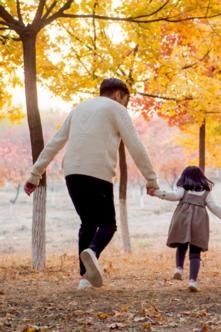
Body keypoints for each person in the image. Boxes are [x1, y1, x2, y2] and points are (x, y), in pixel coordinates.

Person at [24, 78, 159, 289]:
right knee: (108, 224)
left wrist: (35, 175)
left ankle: (84, 279)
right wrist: (151, 179)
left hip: (72, 173)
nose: (125, 105)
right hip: (98, 173)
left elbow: (56, 141)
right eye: (125, 100)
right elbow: (135, 144)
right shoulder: (116, 109)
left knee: (87, 223)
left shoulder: (79, 108)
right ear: (118, 95)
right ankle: (93, 252)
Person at [152, 166, 221, 292]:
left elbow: (173, 196)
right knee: (195, 251)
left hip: (183, 218)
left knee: (182, 244)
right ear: (201, 177)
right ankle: (192, 281)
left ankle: (179, 269)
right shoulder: (206, 192)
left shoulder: (183, 189)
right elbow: (215, 207)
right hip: (199, 221)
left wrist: (157, 192)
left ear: (185, 177)